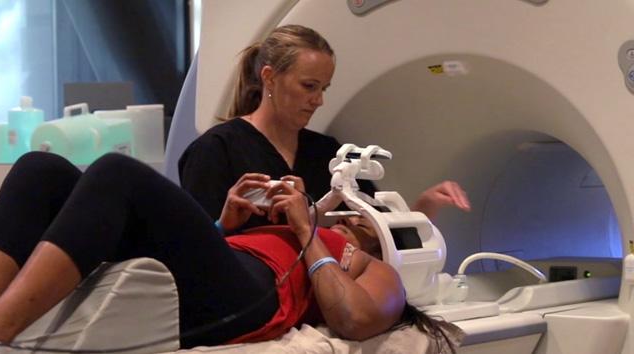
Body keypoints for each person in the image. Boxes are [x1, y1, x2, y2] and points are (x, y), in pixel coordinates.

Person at [0, 152, 455, 353]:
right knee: (41, 169)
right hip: (224, 269)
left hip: (254, 295)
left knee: (117, 172)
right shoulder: (290, 232)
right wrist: (221, 224)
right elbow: (202, 262)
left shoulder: (366, 263)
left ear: (373, 231)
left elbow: (356, 320)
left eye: (357, 216)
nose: (346, 213)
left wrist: (308, 228)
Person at [178, 24, 470, 230]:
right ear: (269, 77)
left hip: (329, 297)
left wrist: (423, 208)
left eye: (324, 88)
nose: (318, 100)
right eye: (309, 86)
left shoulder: (328, 152)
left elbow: (378, 235)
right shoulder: (215, 150)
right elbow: (197, 250)